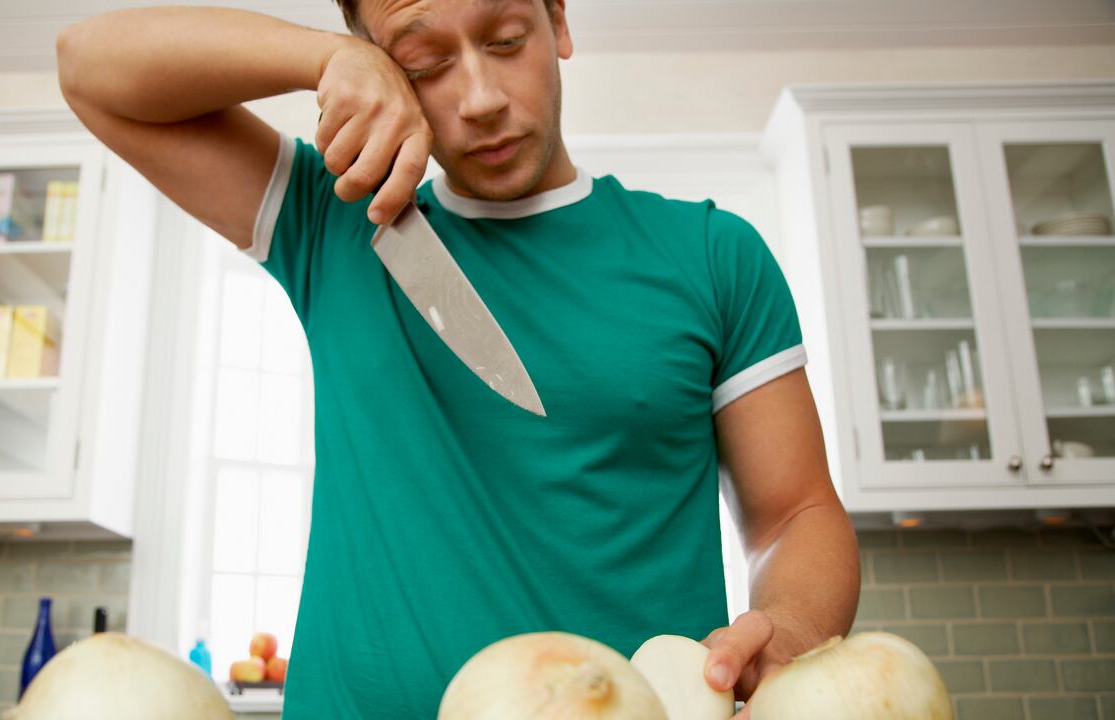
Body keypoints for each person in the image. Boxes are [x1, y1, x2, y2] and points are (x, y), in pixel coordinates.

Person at [56, 1, 860, 717]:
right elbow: (90, 66)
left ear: (560, 22)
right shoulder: (336, 224)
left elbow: (797, 514)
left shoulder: (712, 255)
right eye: (423, 63)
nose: (480, 98)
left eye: (507, 38)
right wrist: (326, 60)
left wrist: (789, 632)